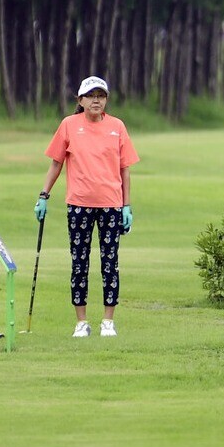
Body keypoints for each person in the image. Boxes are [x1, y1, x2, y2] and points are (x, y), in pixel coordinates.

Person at [35, 76, 140, 338]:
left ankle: (108, 320)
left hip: (111, 205)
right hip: (79, 204)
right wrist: (43, 195)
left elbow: (124, 169)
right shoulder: (69, 125)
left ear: (106, 99)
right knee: (79, 262)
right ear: (80, 100)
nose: (96, 100)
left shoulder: (117, 126)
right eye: (90, 96)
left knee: (109, 262)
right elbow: (56, 163)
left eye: (101, 95)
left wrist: (127, 205)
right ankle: (81, 322)